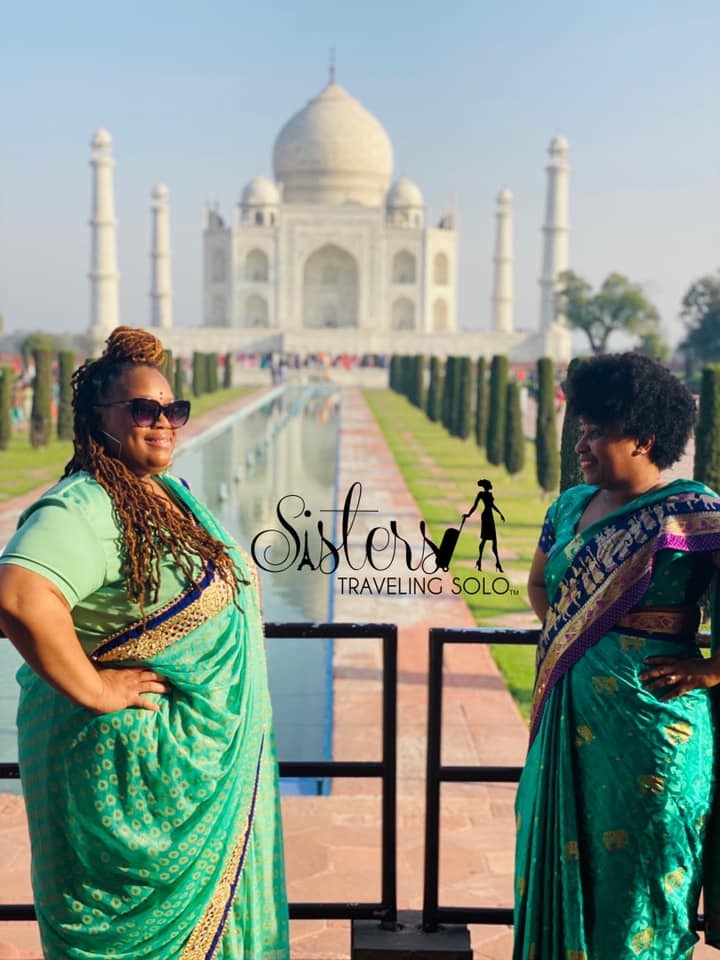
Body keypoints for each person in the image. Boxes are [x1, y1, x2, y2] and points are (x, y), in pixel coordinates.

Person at [0, 327, 289, 959]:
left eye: (173, 409)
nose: (163, 422)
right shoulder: (86, 503)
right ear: (98, 419)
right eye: (142, 409)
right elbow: (18, 597)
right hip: (128, 794)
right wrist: (98, 689)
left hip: (187, 786)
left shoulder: (164, 494)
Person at [514, 352, 720, 959]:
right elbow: (537, 585)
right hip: (569, 724)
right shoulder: (569, 507)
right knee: (556, 861)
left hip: (654, 732)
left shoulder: (695, 513)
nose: (581, 443)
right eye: (582, 429)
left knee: (642, 891)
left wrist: (711, 669)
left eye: (597, 432)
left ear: (644, 440)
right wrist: (575, 635)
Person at [462, 479, 505, 572]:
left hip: (490, 516)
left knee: (493, 540)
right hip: (486, 516)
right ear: (486, 486)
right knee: (485, 539)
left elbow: (493, 506)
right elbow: (475, 506)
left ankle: (490, 562)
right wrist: (468, 514)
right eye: (489, 484)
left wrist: (500, 514)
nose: (491, 485)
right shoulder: (481, 494)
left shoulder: (489, 494)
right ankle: (487, 562)